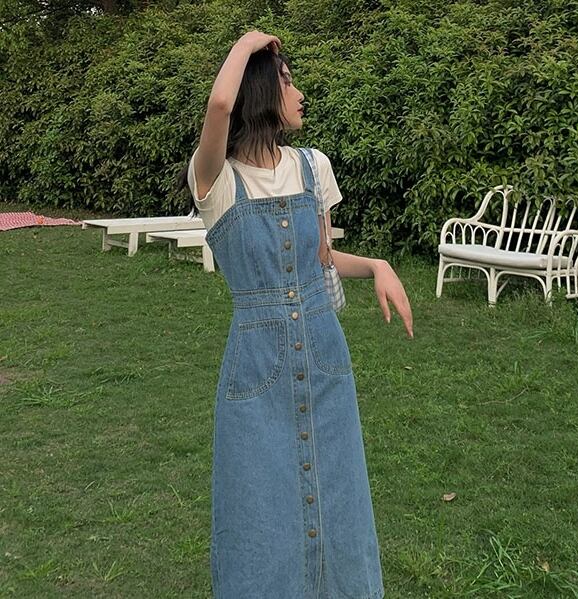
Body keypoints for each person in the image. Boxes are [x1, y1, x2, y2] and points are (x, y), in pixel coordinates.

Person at [177, 30, 414, 599]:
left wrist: (377, 265)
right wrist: (248, 44)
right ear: (260, 92)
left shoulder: (314, 168)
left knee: (338, 497)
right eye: (286, 81)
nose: (300, 93)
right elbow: (218, 104)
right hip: (257, 367)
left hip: (326, 355)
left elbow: (322, 259)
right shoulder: (215, 179)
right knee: (258, 508)